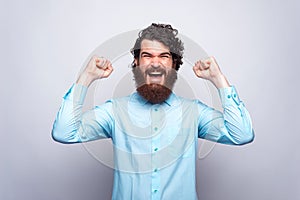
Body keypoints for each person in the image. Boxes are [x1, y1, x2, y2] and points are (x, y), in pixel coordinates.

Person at [52, 23, 254, 200]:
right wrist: (86, 77)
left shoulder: (193, 112)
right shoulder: (114, 111)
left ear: (174, 64)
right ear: (137, 63)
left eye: (164, 56)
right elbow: (64, 132)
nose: (155, 63)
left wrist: (219, 80)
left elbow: (242, 134)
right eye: (147, 55)